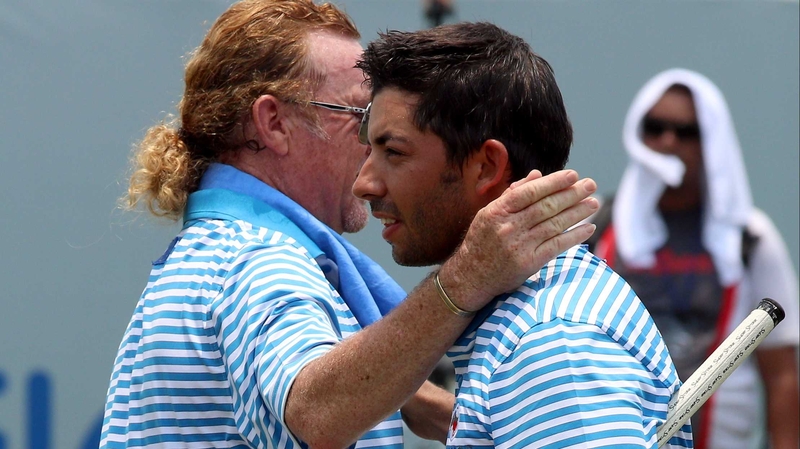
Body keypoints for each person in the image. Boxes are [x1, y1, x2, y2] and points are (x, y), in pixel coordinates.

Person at [99, 1, 599, 448]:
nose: (371, 146)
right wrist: (466, 278)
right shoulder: (257, 263)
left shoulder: (215, 249)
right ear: (274, 124)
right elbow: (317, 414)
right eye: (360, 115)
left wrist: (420, 401)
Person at [353, 22, 693, 448]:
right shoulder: (529, 328)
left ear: (487, 168)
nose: (364, 184)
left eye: (394, 152)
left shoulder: (551, 343)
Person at [586, 69, 800, 449]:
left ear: (713, 142)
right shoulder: (597, 227)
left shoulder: (751, 238)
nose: (668, 142)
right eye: (655, 127)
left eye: (687, 132)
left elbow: (781, 373)